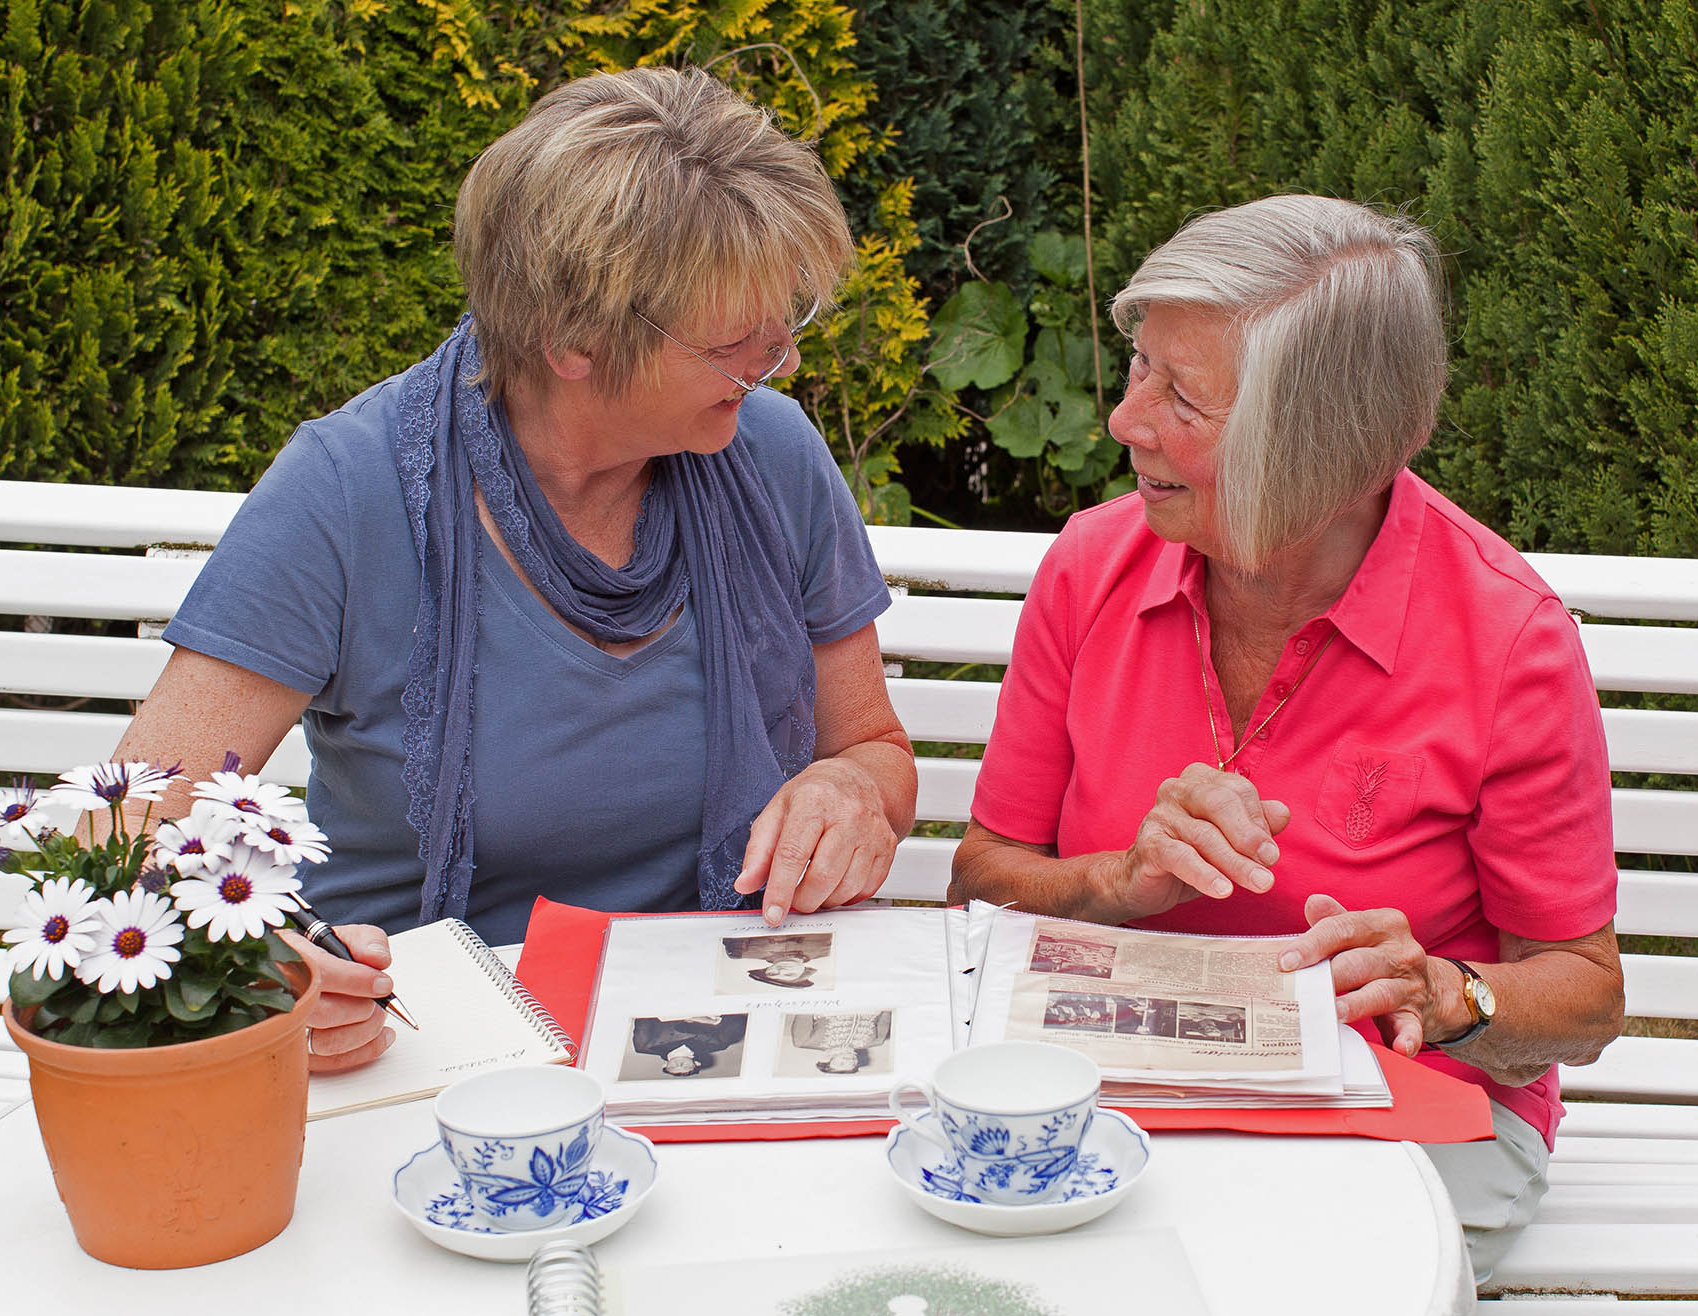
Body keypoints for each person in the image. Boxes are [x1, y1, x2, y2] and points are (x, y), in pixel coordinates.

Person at [112, 67, 916, 1075]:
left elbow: (877, 751)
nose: (781, 360)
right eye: (734, 341)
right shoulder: (349, 490)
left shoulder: (772, 456)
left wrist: (849, 787)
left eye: (780, 323)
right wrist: (266, 965)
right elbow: (134, 814)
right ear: (573, 339)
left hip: (731, 1017)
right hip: (423, 1041)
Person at [949, 195, 1624, 1283]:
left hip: (1396, 1109)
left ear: (1324, 446)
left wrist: (1448, 993)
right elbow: (980, 881)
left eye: (1183, 397)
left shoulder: (1504, 639)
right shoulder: (1088, 567)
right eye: (1139, 368)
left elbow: (1584, 993)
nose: (1126, 421)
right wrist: (1120, 879)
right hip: (1111, 1082)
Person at [631, 1015, 748, 1076]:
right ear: (697, 1063)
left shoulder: (644, 1046)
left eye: (673, 1068)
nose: (680, 1065)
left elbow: (643, 1017)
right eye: (685, 1068)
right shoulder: (719, 1043)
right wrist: (709, 1021)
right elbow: (737, 1020)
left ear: (664, 1065)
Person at [788, 1010, 891, 1073]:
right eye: (852, 1064)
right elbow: (887, 1010)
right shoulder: (877, 1041)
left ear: (826, 1061)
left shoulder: (803, 1041)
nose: (849, 1061)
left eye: (842, 1063)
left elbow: (806, 1008)